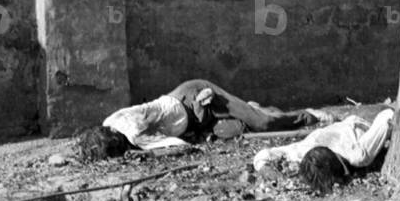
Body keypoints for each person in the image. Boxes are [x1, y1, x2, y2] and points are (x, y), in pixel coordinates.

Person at [75, 79, 327, 161]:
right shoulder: (109, 121)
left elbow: (180, 147)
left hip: (198, 98)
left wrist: (146, 154)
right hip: (193, 123)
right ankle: (252, 109)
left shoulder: (134, 134)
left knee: (262, 125)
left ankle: (309, 115)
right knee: (236, 130)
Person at [253, 108, 393, 193]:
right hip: (332, 132)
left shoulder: (358, 154)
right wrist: (270, 172)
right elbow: (262, 156)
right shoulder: (299, 153)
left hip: (355, 127)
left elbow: (387, 117)